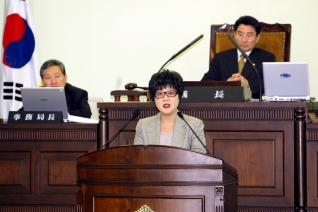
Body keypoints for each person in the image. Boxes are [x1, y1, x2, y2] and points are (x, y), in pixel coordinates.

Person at [201, 15, 276, 99]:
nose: (244, 40)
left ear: (257, 38)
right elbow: (205, 82)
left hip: (253, 108)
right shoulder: (221, 58)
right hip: (225, 106)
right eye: (240, 34)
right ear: (234, 35)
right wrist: (225, 84)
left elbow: (272, 84)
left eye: (249, 35)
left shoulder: (267, 58)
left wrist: (248, 84)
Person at [134, 69, 207, 154]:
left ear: (179, 96)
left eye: (170, 93)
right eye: (160, 94)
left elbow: (200, 160)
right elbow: (137, 158)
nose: (165, 99)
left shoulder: (194, 125)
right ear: (154, 98)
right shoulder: (143, 125)